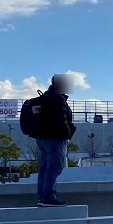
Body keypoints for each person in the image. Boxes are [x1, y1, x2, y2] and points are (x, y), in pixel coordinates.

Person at [37, 74, 76, 207]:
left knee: (44, 167)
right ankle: (49, 196)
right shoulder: (58, 99)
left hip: (43, 138)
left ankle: (42, 196)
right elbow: (62, 120)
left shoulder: (45, 97)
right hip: (55, 138)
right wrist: (68, 134)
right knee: (54, 167)